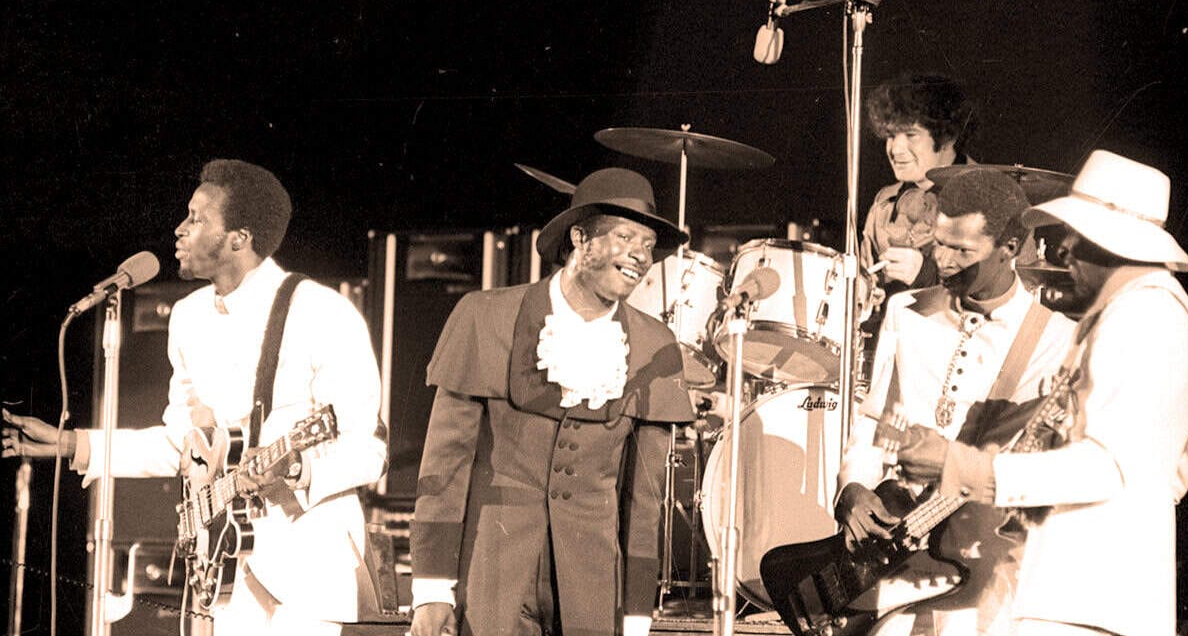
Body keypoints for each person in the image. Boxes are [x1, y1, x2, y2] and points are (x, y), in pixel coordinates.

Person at [2, 159, 386, 636]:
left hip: (304, 571)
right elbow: (182, 443)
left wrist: (297, 467)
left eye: (197, 217)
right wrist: (75, 444)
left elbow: (368, 450)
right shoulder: (188, 317)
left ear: (239, 238)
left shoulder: (321, 311)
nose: (179, 229)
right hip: (220, 570)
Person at [898, 150, 1188, 636]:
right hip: (1076, 598)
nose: (1062, 251)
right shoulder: (1128, 315)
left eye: (1075, 237)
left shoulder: (1147, 319)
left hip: (1094, 601)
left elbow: (1108, 467)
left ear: (1113, 244)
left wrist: (962, 466)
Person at [408, 168, 696, 636]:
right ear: (581, 238)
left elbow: (645, 503)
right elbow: (445, 465)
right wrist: (432, 590)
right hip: (491, 575)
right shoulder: (485, 317)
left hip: (593, 590)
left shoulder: (654, 346)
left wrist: (637, 615)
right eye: (625, 237)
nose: (640, 256)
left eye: (648, 245)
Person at [835, 168, 1077, 635]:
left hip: (986, 577)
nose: (943, 262)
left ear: (1010, 247)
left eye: (963, 250)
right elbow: (875, 421)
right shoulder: (906, 312)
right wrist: (854, 487)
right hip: (898, 562)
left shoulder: (1057, 340)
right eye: (939, 244)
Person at [861, 72, 980, 296]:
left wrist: (925, 274)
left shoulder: (992, 199)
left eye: (911, 134)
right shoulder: (884, 204)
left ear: (947, 138)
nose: (895, 149)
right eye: (890, 136)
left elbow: (1014, 294)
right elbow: (867, 276)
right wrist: (864, 290)